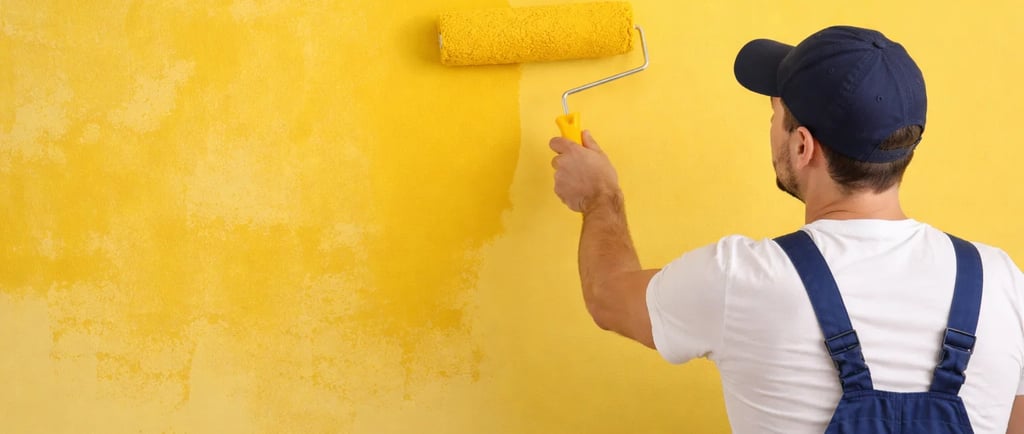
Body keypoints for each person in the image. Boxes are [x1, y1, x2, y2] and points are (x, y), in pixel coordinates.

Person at [548, 25, 1024, 433]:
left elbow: (609, 297)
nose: (772, 125)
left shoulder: (742, 279)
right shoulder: (1002, 282)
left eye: (775, 115)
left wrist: (599, 197)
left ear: (802, 147)